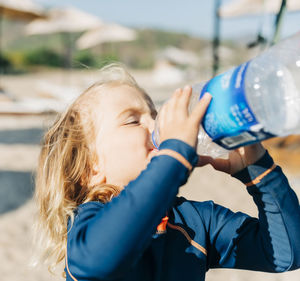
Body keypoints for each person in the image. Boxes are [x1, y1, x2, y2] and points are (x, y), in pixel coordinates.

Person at [34, 63, 300, 281]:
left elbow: (286, 253)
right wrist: (173, 155)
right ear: (89, 167)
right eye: (132, 120)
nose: (155, 125)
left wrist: (259, 171)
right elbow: (100, 259)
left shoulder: (195, 221)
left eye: (154, 114)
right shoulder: (87, 225)